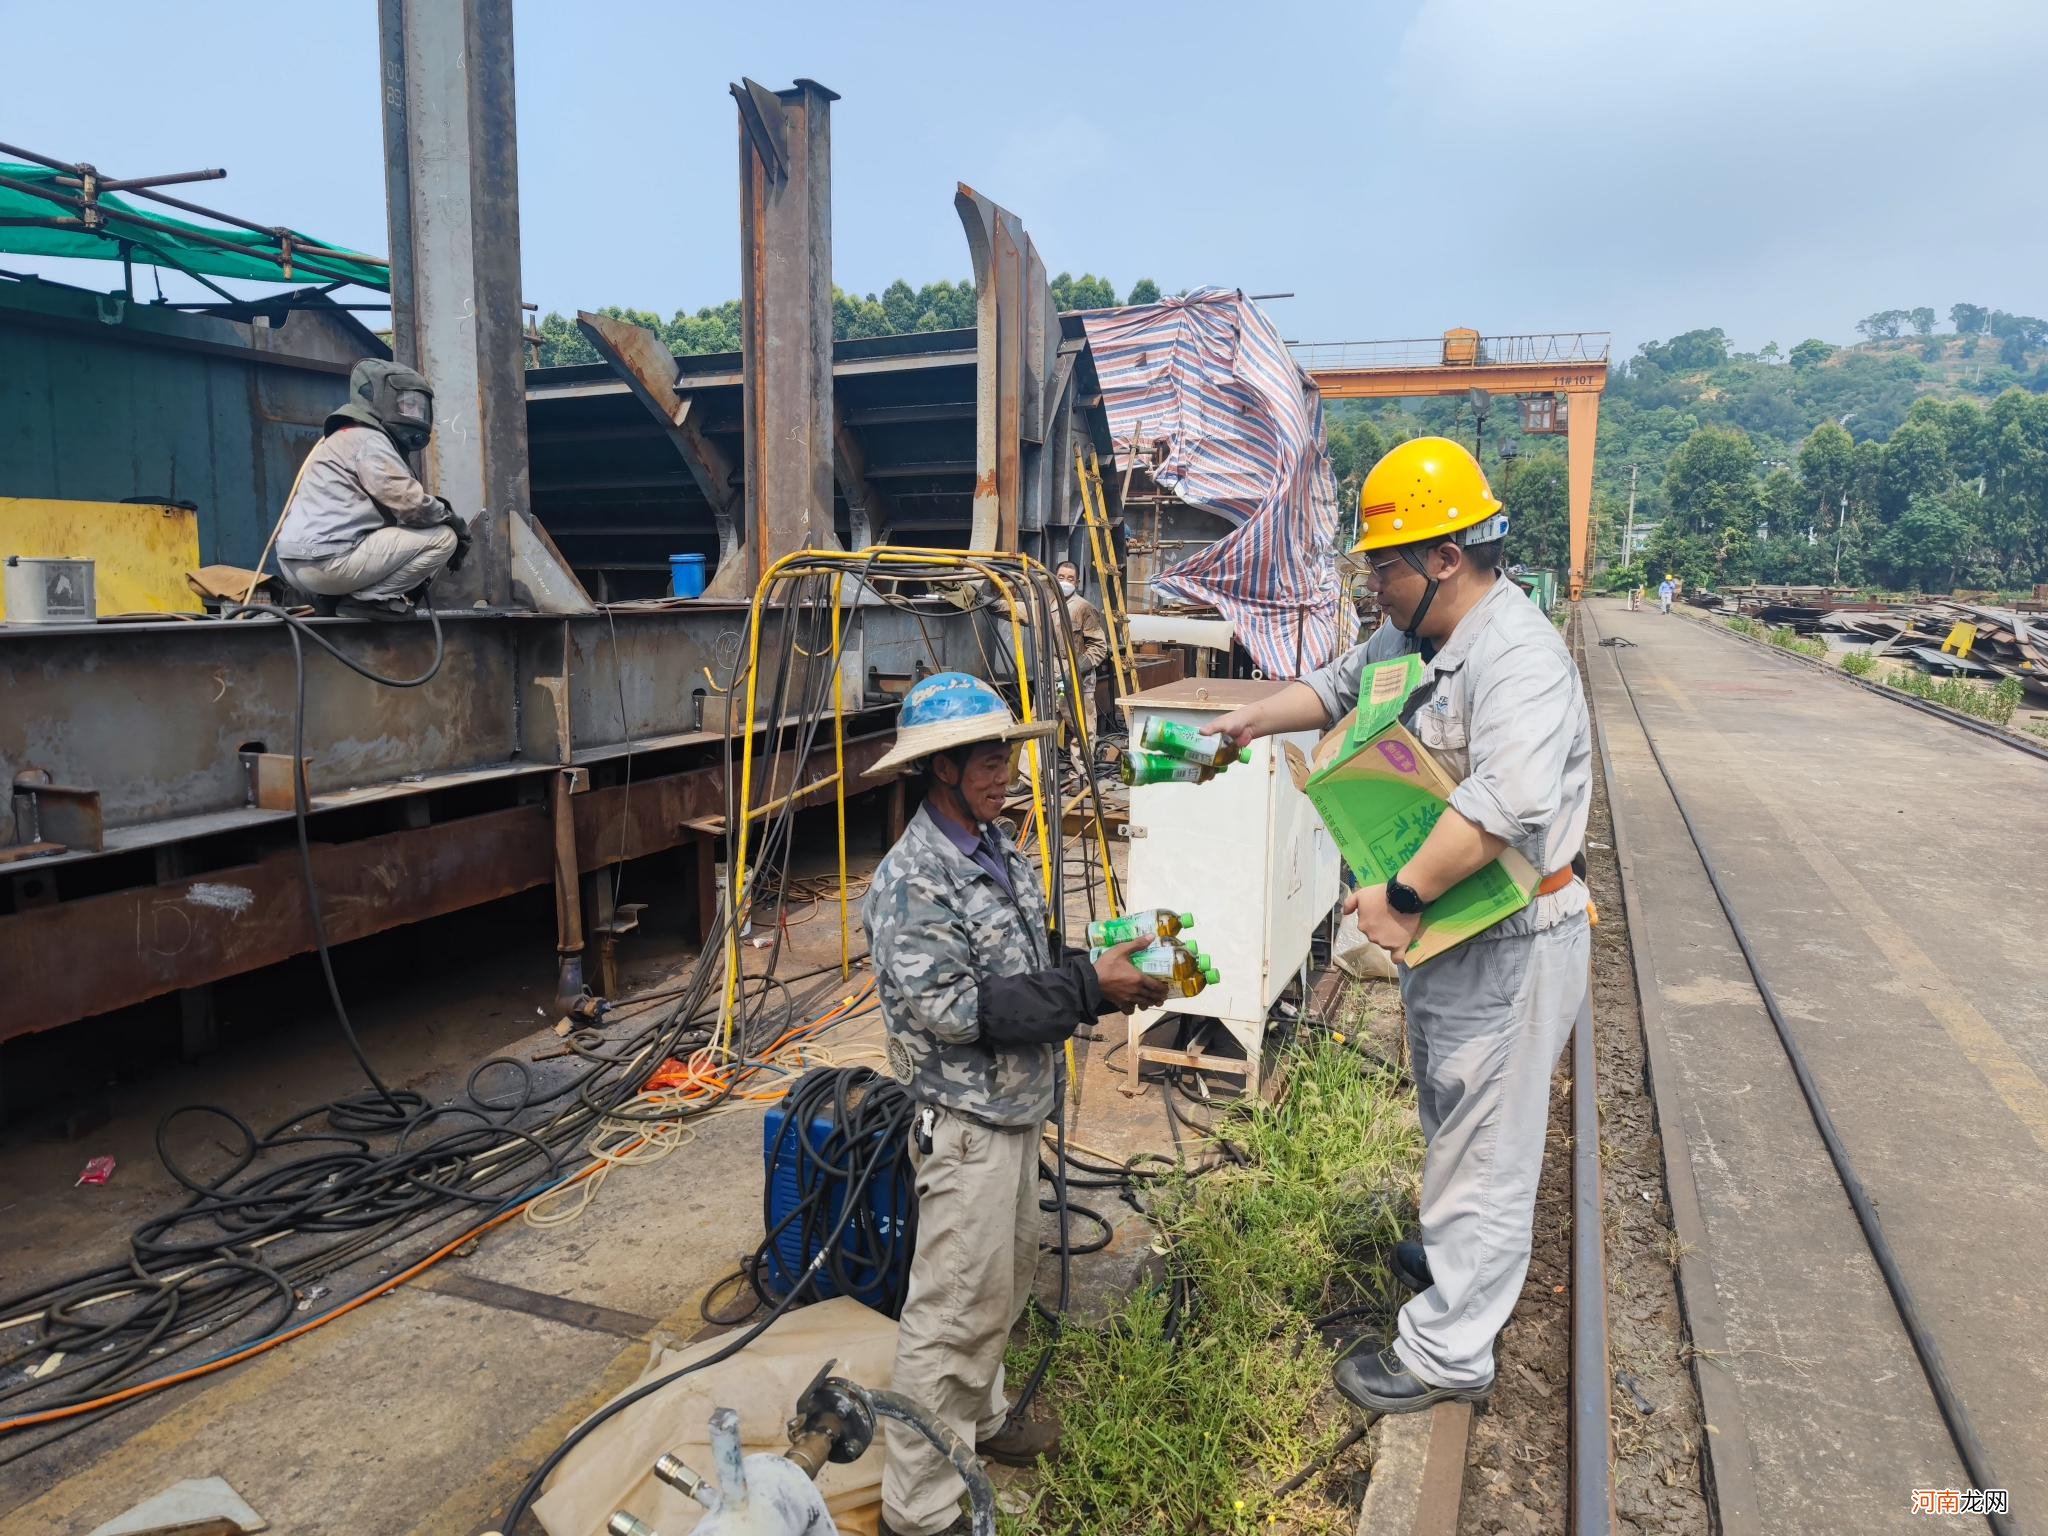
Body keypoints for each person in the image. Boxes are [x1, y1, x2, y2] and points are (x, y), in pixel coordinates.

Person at [1201, 436, 1592, 1414]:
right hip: (1459, 934)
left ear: (1443, 559)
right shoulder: (1416, 642)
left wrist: (1401, 897)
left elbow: (1507, 803)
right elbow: (1334, 689)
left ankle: (1449, 1354)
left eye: (1383, 562)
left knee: (1490, 1142)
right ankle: (1457, 1260)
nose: (1372, 582)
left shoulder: (1517, 658)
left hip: (1509, 936)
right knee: (1456, 1116)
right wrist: (1249, 721)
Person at [861, 672, 1167, 1536]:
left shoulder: (996, 847)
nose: (1007, 770)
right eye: (989, 758)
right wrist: (1084, 984)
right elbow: (960, 1012)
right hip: (965, 1128)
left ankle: (983, 1420)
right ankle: (917, 1509)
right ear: (942, 769)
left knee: (1001, 1285)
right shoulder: (913, 881)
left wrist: (1107, 973)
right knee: (951, 1312)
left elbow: (1031, 961)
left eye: (1008, 753)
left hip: (1014, 1113)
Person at [275, 359, 472, 619]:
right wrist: (454, 523)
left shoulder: (341, 438)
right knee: (444, 538)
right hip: (328, 563)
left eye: (418, 406)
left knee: (395, 532)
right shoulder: (370, 440)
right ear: (378, 400)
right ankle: (367, 601)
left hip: (296, 564)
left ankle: (336, 601)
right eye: (406, 404)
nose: (414, 412)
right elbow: (410, 504)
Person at [1053, 559, 1110, 776]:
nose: (1065, 582)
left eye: (1070, 578)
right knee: (1041, 725)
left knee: (1082, 728)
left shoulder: (1085, 608)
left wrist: (1075, 671)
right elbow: (1017, 609)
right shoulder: (1045, 605)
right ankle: (1028, 777)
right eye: (1061, 577)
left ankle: (1082, 774)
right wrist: (985, 600)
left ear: (1076, 582)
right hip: (1053, 680)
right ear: (1053, 577)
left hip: (1077, 681)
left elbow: (1098, 648)